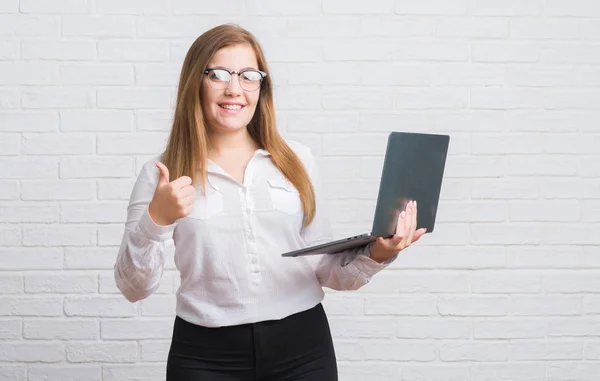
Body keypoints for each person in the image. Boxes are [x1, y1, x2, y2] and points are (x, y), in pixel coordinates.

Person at [114, 23, 426, 381]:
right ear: (194, 84)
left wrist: (379, 253)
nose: (235, 89)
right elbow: (133, 289)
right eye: (218, 74)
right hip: (204, 356)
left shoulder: (297, 160)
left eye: (249, 75)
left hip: (303, 349)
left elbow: (326, 270)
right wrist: (156, 219)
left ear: (262, 87)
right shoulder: (161, 173)